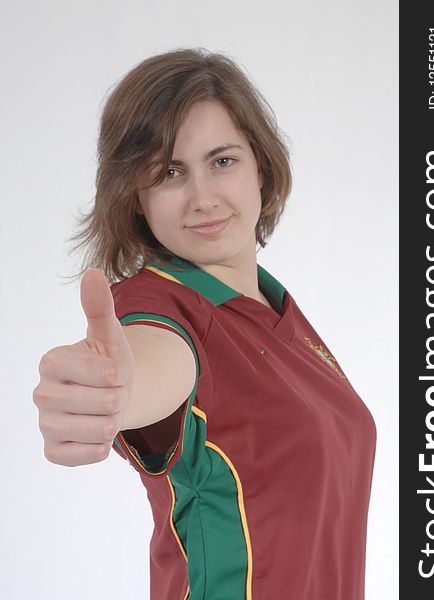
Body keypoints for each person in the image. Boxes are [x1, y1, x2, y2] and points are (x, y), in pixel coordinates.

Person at [33, 47, 377, 600]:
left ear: (260, 167)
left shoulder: (275, 308)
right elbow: (151, 363)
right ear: (137, 201)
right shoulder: (157, 307)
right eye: (169, 173)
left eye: (222, 161)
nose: (202, 198)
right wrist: (112, 391)